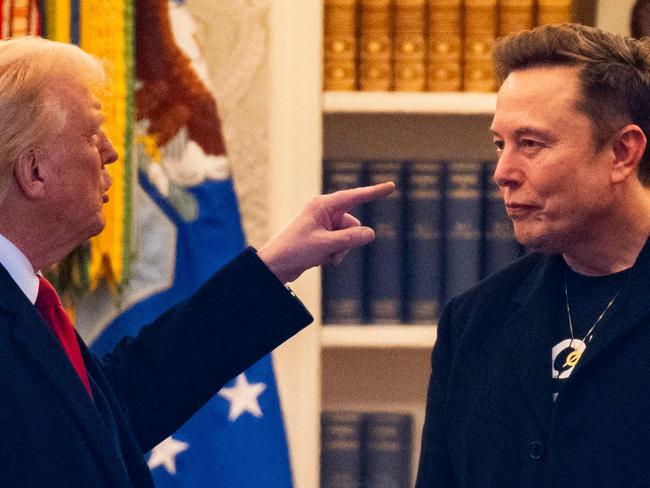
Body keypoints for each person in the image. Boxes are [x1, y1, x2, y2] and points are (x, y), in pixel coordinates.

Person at [0, 36, 394, 487]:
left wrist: (272, 269)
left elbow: (102, 418)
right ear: (34, 172)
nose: (110, 152)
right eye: (91, 134)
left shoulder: (27, 301)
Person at [416, 23, 650, 487]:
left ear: (623, 152)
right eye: (500, 145)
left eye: (531, 144)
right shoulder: (472, 321)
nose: (503, 173)